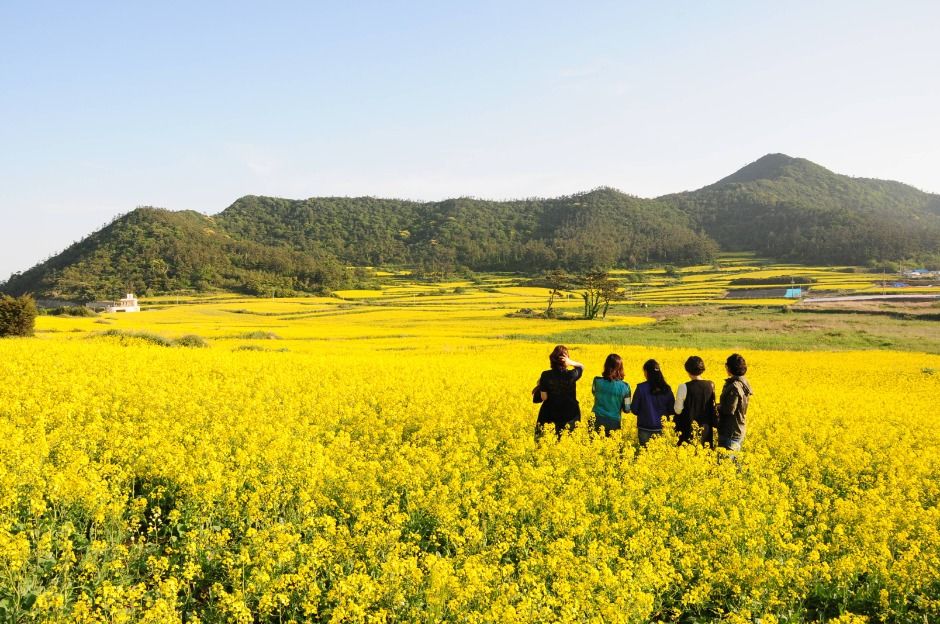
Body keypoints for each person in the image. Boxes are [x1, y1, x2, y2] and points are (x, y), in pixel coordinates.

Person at [533, 345, 584, 439]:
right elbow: (581, 366)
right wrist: (570, 362)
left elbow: (544, 397)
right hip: (570, 414)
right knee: (568, 440)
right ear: (565, 360)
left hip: (550, 413)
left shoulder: (545, 375)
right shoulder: (572, 375)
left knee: (546, 441)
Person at [674, 355, 718, 447]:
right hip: (706, 431)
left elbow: (678, 410)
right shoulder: (710, 385)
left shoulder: (683, 387)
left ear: (687, 370)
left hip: (687, 430)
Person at [630, 359, 675, 445]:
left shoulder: (641, 388)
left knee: (644, 456)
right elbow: (672, 409)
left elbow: (634, 409)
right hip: (662, 429)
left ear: (647, 372)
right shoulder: (667, 389)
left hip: (644, 428)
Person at [717, 353, 753, 455]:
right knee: (733, 467)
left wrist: (717, 407)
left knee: (725, 466)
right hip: (738, 428)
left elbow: (729, 409)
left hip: (730, 431)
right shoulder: (744, 382)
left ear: (729, 367)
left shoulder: (734, 386)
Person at [590, 354, 631, 436]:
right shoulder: (625, 387)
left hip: (595, 419)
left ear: (606, 366)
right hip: (613, 422)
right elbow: (627, 409)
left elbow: (594, 393)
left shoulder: (596, 381)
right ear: (620, 368)